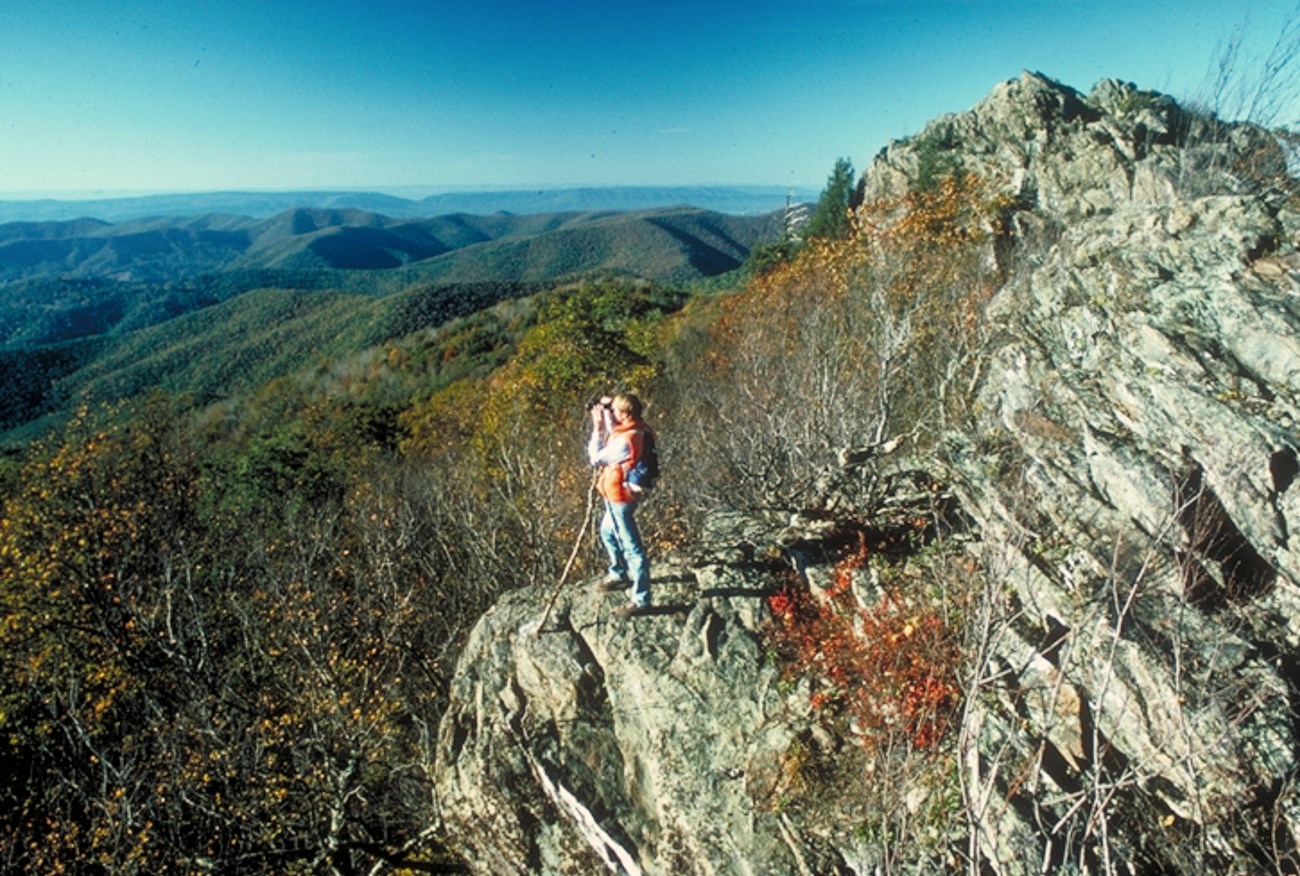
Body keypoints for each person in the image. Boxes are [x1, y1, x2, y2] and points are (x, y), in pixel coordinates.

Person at [588, 393, 653, 616]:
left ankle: (641, 599)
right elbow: (615, 430)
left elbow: (596, 457)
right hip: (617, 495)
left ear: (625, 414)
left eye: (615, 410)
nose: (613, 414)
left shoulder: (627, 440)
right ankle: (618, 573)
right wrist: (607, 410)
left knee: (632, 548)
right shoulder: (637, 428)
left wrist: (596, 428)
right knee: (607, 532)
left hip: (620, 499)